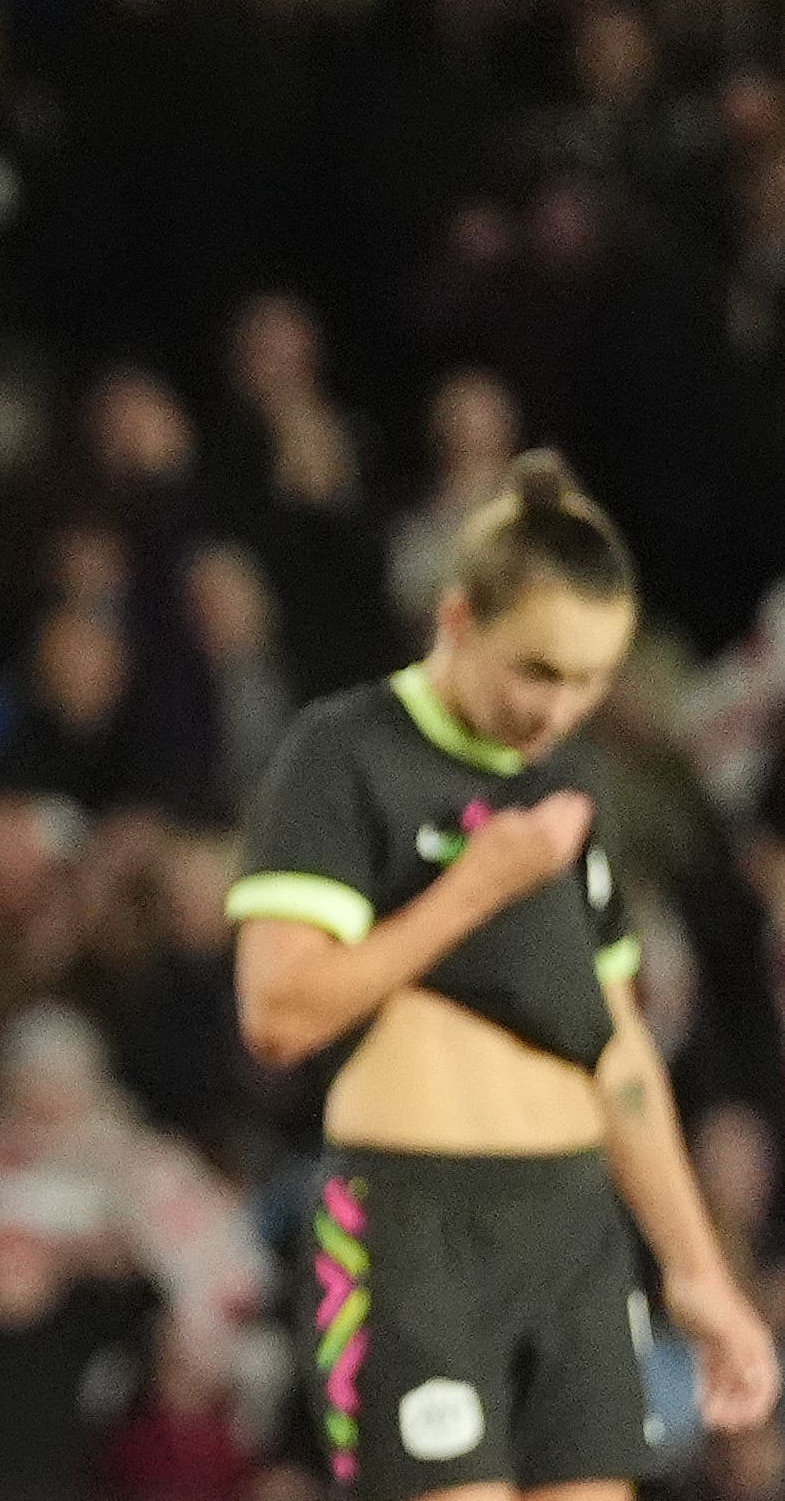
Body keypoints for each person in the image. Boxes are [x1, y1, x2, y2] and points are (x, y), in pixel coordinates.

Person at [225, 452, 781, 1501]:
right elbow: (279, 1013)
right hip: (415, 1221)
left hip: (572, 1229)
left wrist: (698, 1268)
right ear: (457, 620)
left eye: (588, 679)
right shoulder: (345, 754)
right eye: (535, 668)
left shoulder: (568, 783)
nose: (555, 708)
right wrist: (471, 889)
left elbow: (611, 1044)